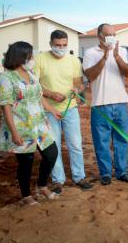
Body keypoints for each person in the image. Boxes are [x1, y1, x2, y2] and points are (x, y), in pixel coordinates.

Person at [0, 41, 60, 205]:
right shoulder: (6, 78)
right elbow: (6, 107)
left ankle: (42, 186)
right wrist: (14, 133)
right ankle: (26, 196)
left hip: (39, 123)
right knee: (26, 161)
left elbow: (38, 96)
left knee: (51, 153)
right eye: (30, 56)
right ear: (20, 57)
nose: (32, 59)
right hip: (21, 125)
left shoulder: (31, 74)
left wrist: (52, 109)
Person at [35, 30, 93, 194]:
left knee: (75, 144)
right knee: (54, 146)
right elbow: (33, 86)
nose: (61, 48)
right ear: (50, 44)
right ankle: (57, 180)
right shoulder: (40, 59)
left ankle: (79, 177)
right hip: (48, 109)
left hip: (70, 107)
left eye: (64, 45)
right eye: (57, 45)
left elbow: (80, 84)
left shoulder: (74, 61)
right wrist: (50, 94)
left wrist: (78, 89)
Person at [83, 23, 128, 185]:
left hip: (120, 103)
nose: (111, 37)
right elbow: (90, 76)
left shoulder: (122, 51)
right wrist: (104, 57)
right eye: (108, 34)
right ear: (99, 36)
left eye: (114, 34)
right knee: (102, 141)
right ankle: (105, 173)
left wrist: (116, 57)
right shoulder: (90, 53)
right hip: (100, 104)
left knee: (121, 140)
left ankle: (122, 171)